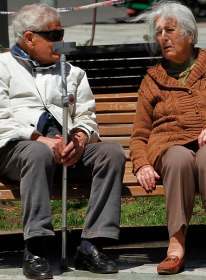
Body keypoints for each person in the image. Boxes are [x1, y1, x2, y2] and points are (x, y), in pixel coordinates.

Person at [0, 4, 126, 279]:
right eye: (54, 34)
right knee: (36, 152)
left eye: (62, 33)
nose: (61, 40)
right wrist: (38, 138)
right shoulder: (2, 67)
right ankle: (35, 248)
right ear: (29, 37)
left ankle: (90, 246)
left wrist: (81, 138)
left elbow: (87, 116)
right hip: (17, 151)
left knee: (112, 152)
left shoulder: (73, 72)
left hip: (66, 152)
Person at [130, 1, 206, 275]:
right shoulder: (152, 79)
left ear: (189, 33)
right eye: (159, 32)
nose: (163, 37)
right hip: (170, 146)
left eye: (170, 30)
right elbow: (140, 133)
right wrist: (141, 163)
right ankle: (175, 247)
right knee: (177, 157)